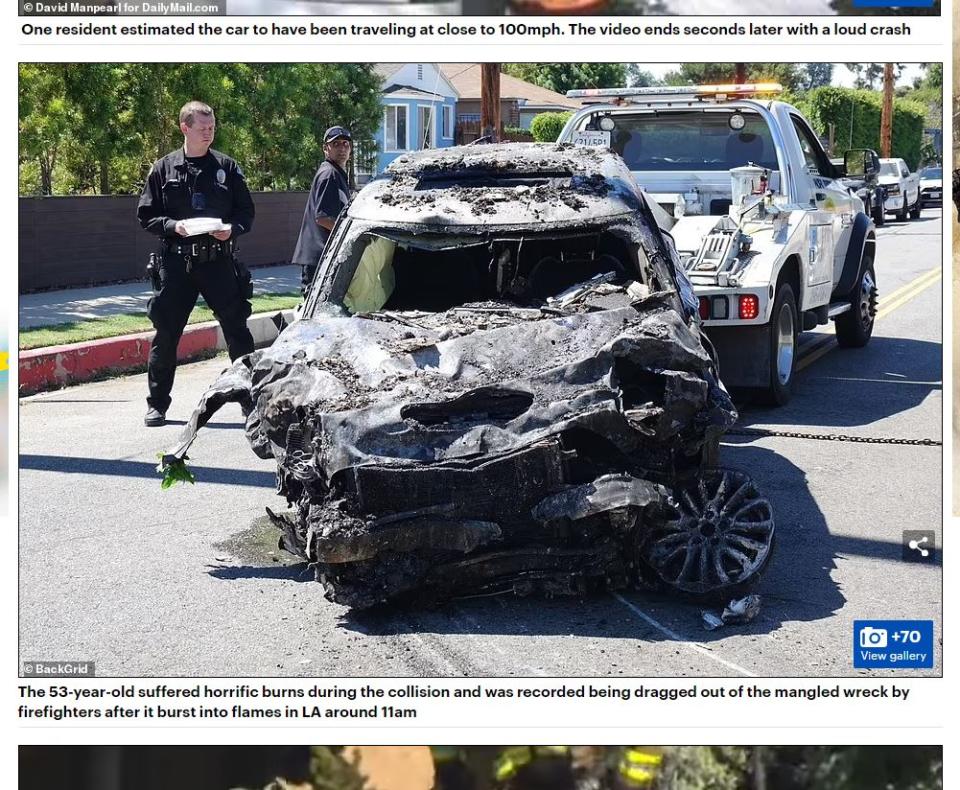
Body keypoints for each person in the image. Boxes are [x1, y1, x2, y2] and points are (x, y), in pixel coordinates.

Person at [137, 100, 255, 427]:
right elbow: (146, 215)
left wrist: (233, 229)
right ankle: (157, 404)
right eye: (203, 127)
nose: (209, 131)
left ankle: (251, 402)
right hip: (176, 265)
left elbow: (246, 212)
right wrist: (173, 226)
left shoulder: (227, 168)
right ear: (184, 127)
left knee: (237, 332)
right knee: (166, 334)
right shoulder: (163, 169)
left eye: (212, 126)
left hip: (218, 262)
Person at [292, 125, 352, 296]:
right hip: (319, 258)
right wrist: (349, 235)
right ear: (326, 148)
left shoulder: (336, 174)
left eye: (345, 144)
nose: (342, 148)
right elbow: (323, 218)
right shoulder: (329, 174)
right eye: (336, 144)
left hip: (322, 257)